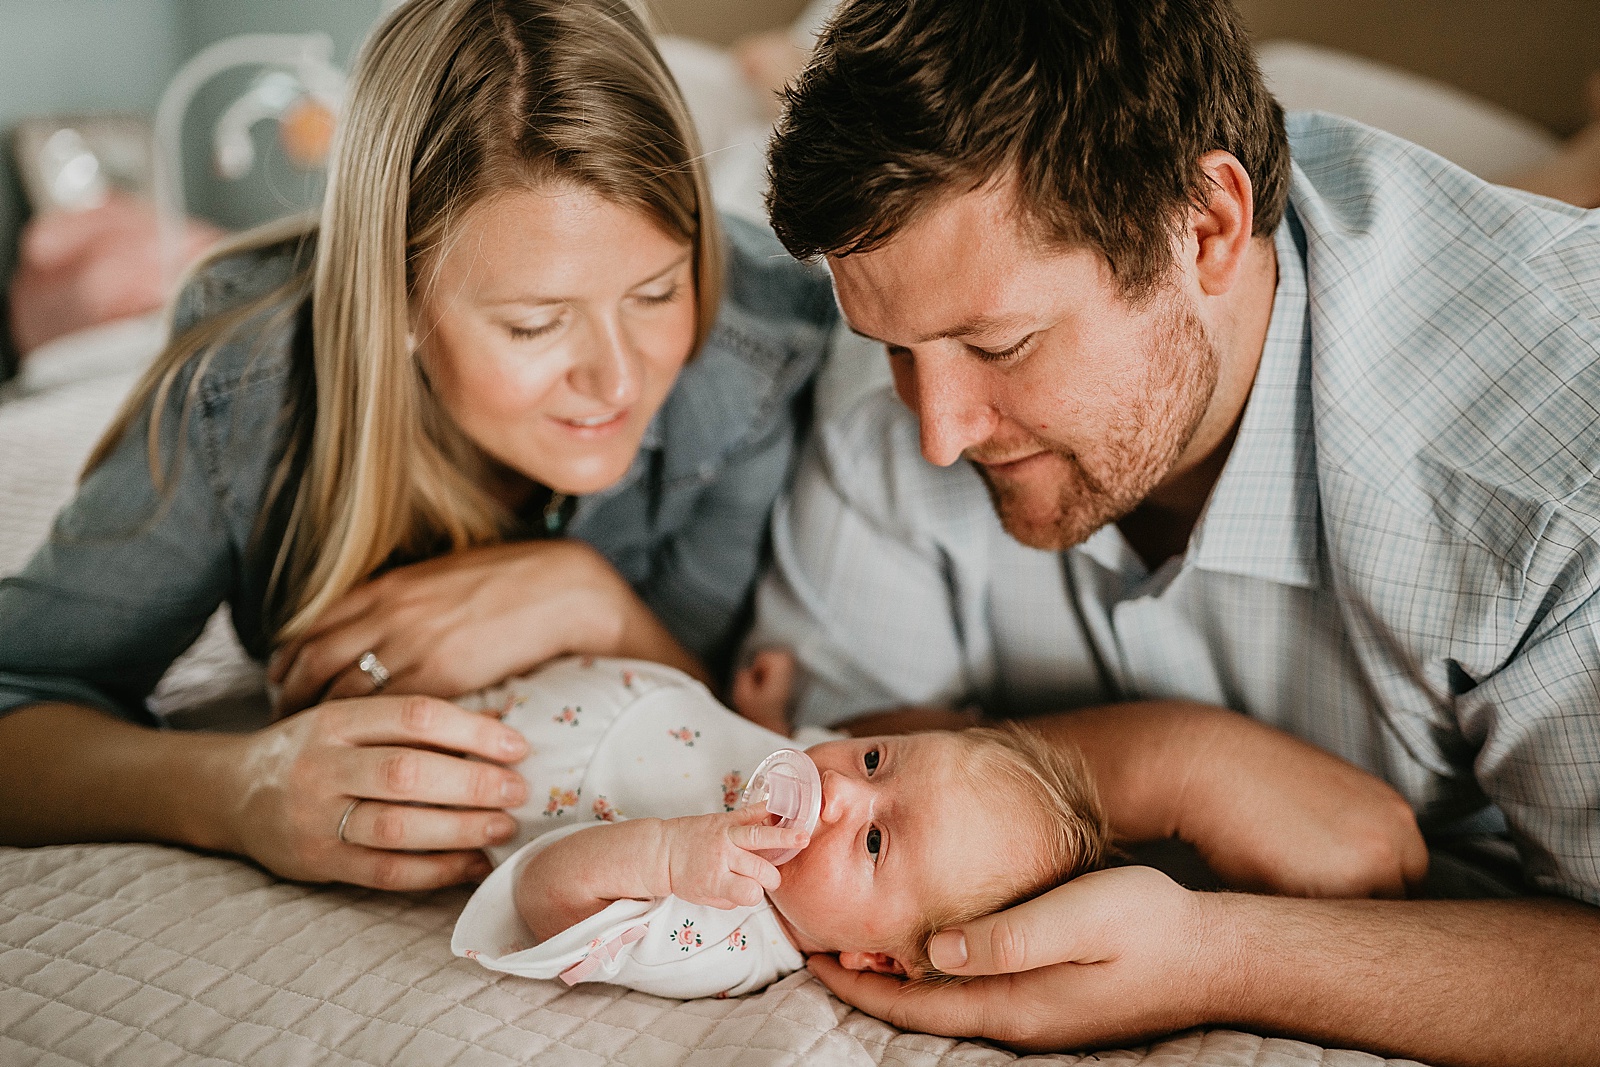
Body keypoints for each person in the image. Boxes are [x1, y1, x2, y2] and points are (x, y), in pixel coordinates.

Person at [750, 0, 1600, 1063]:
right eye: (895, 351)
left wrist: (1219, 953)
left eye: (1002, 345)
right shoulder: (917, 296)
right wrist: (1171, 759)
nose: (936, 433)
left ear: (1203, 228)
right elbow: (814, 751)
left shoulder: (1552, 491)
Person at [0, 0, 836, 893]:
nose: (621, 380)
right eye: (535, 324)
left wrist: (587, 602)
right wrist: (233, 788)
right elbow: (21, 688)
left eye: (657, 291)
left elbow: (724, 700)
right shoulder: (245, 393)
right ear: (396, 299)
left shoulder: (758, 344)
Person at [450, 654, 1107, 998]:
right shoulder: (814, 783)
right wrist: (765, 716)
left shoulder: (726, 940)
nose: (841, 788)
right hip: (553, 674)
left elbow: (541, 894)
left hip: (478, 758)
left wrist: (665, 856)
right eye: (876, 758)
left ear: (875, 958)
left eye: (874, 841)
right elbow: (801, 749)